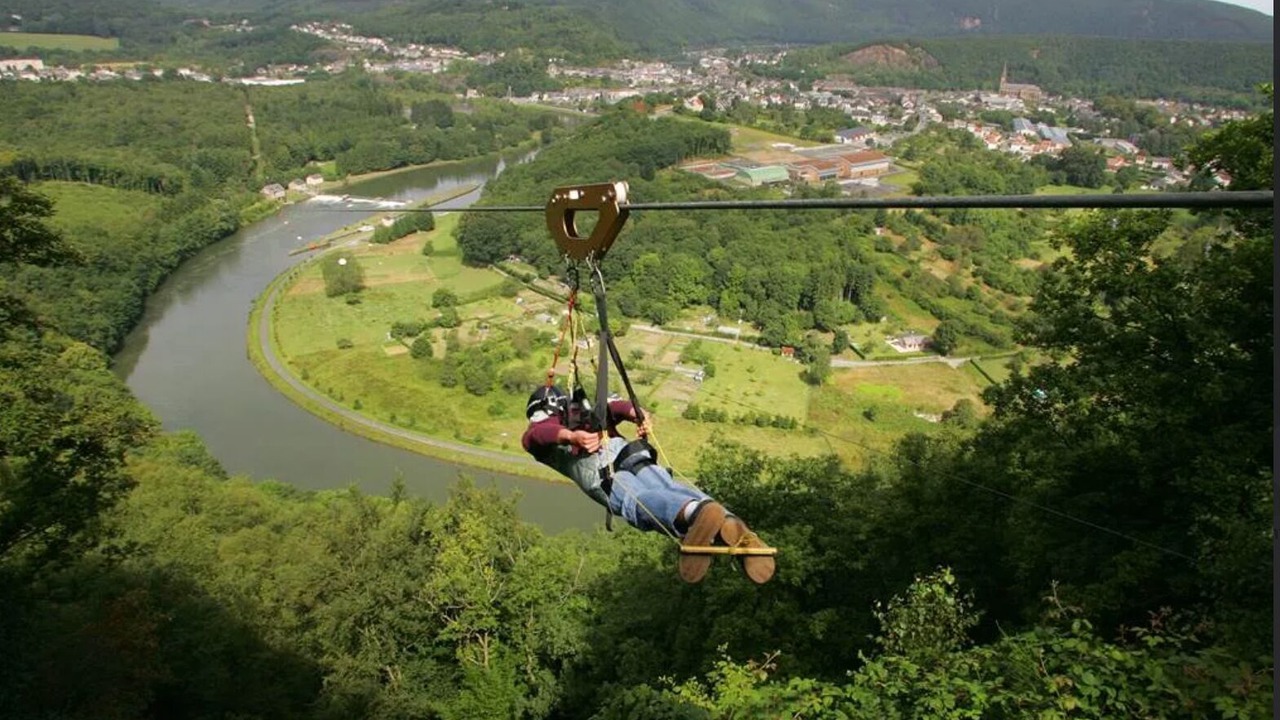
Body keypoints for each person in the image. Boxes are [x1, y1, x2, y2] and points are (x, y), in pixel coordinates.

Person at [522, 384, 774, 584]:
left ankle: (695, 513)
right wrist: (636, 414)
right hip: (633, 455)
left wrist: (634, 415)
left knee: (638, 501)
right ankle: (732, 526)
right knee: (670, 489)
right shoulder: (578, 418)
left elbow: (537, 433)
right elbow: (618, 407)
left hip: (605, 476)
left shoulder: (548, 434)